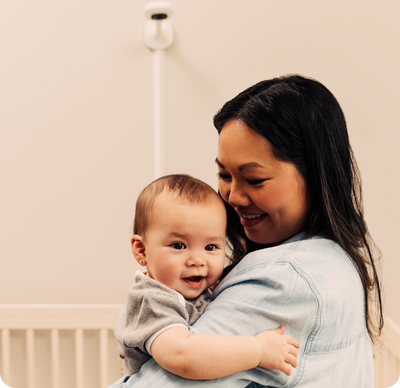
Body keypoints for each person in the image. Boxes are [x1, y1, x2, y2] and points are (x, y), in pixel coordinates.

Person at [108, 75, 383, 387]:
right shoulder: (339, 255)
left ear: (314, 174)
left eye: (254, 180)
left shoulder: (284, 276)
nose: (233, 197)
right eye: (224, 174)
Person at [113, 174, 300, 380]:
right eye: (178, 245)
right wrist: (258, 350)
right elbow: (183, 356)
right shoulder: (153, 301)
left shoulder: (199, 290)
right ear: (142, 250)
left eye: (210, 247)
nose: (197, 260)